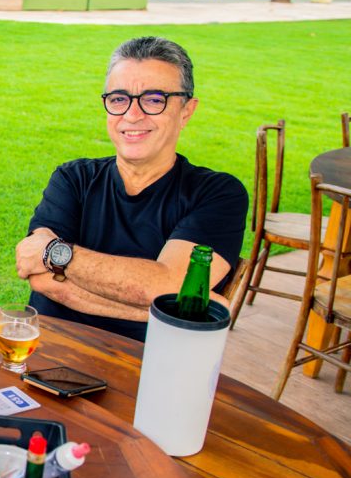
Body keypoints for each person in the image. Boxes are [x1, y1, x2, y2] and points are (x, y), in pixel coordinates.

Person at [14, 36, 248, 341]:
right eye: (119, 98)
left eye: (153, 99)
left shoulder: (216, 194)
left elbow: (171, 284)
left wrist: (60, 257)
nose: (132, 114)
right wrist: (164, 307)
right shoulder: (73, 178)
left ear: (186, 111)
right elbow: (39, 277)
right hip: (50, 353)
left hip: (147, 367)